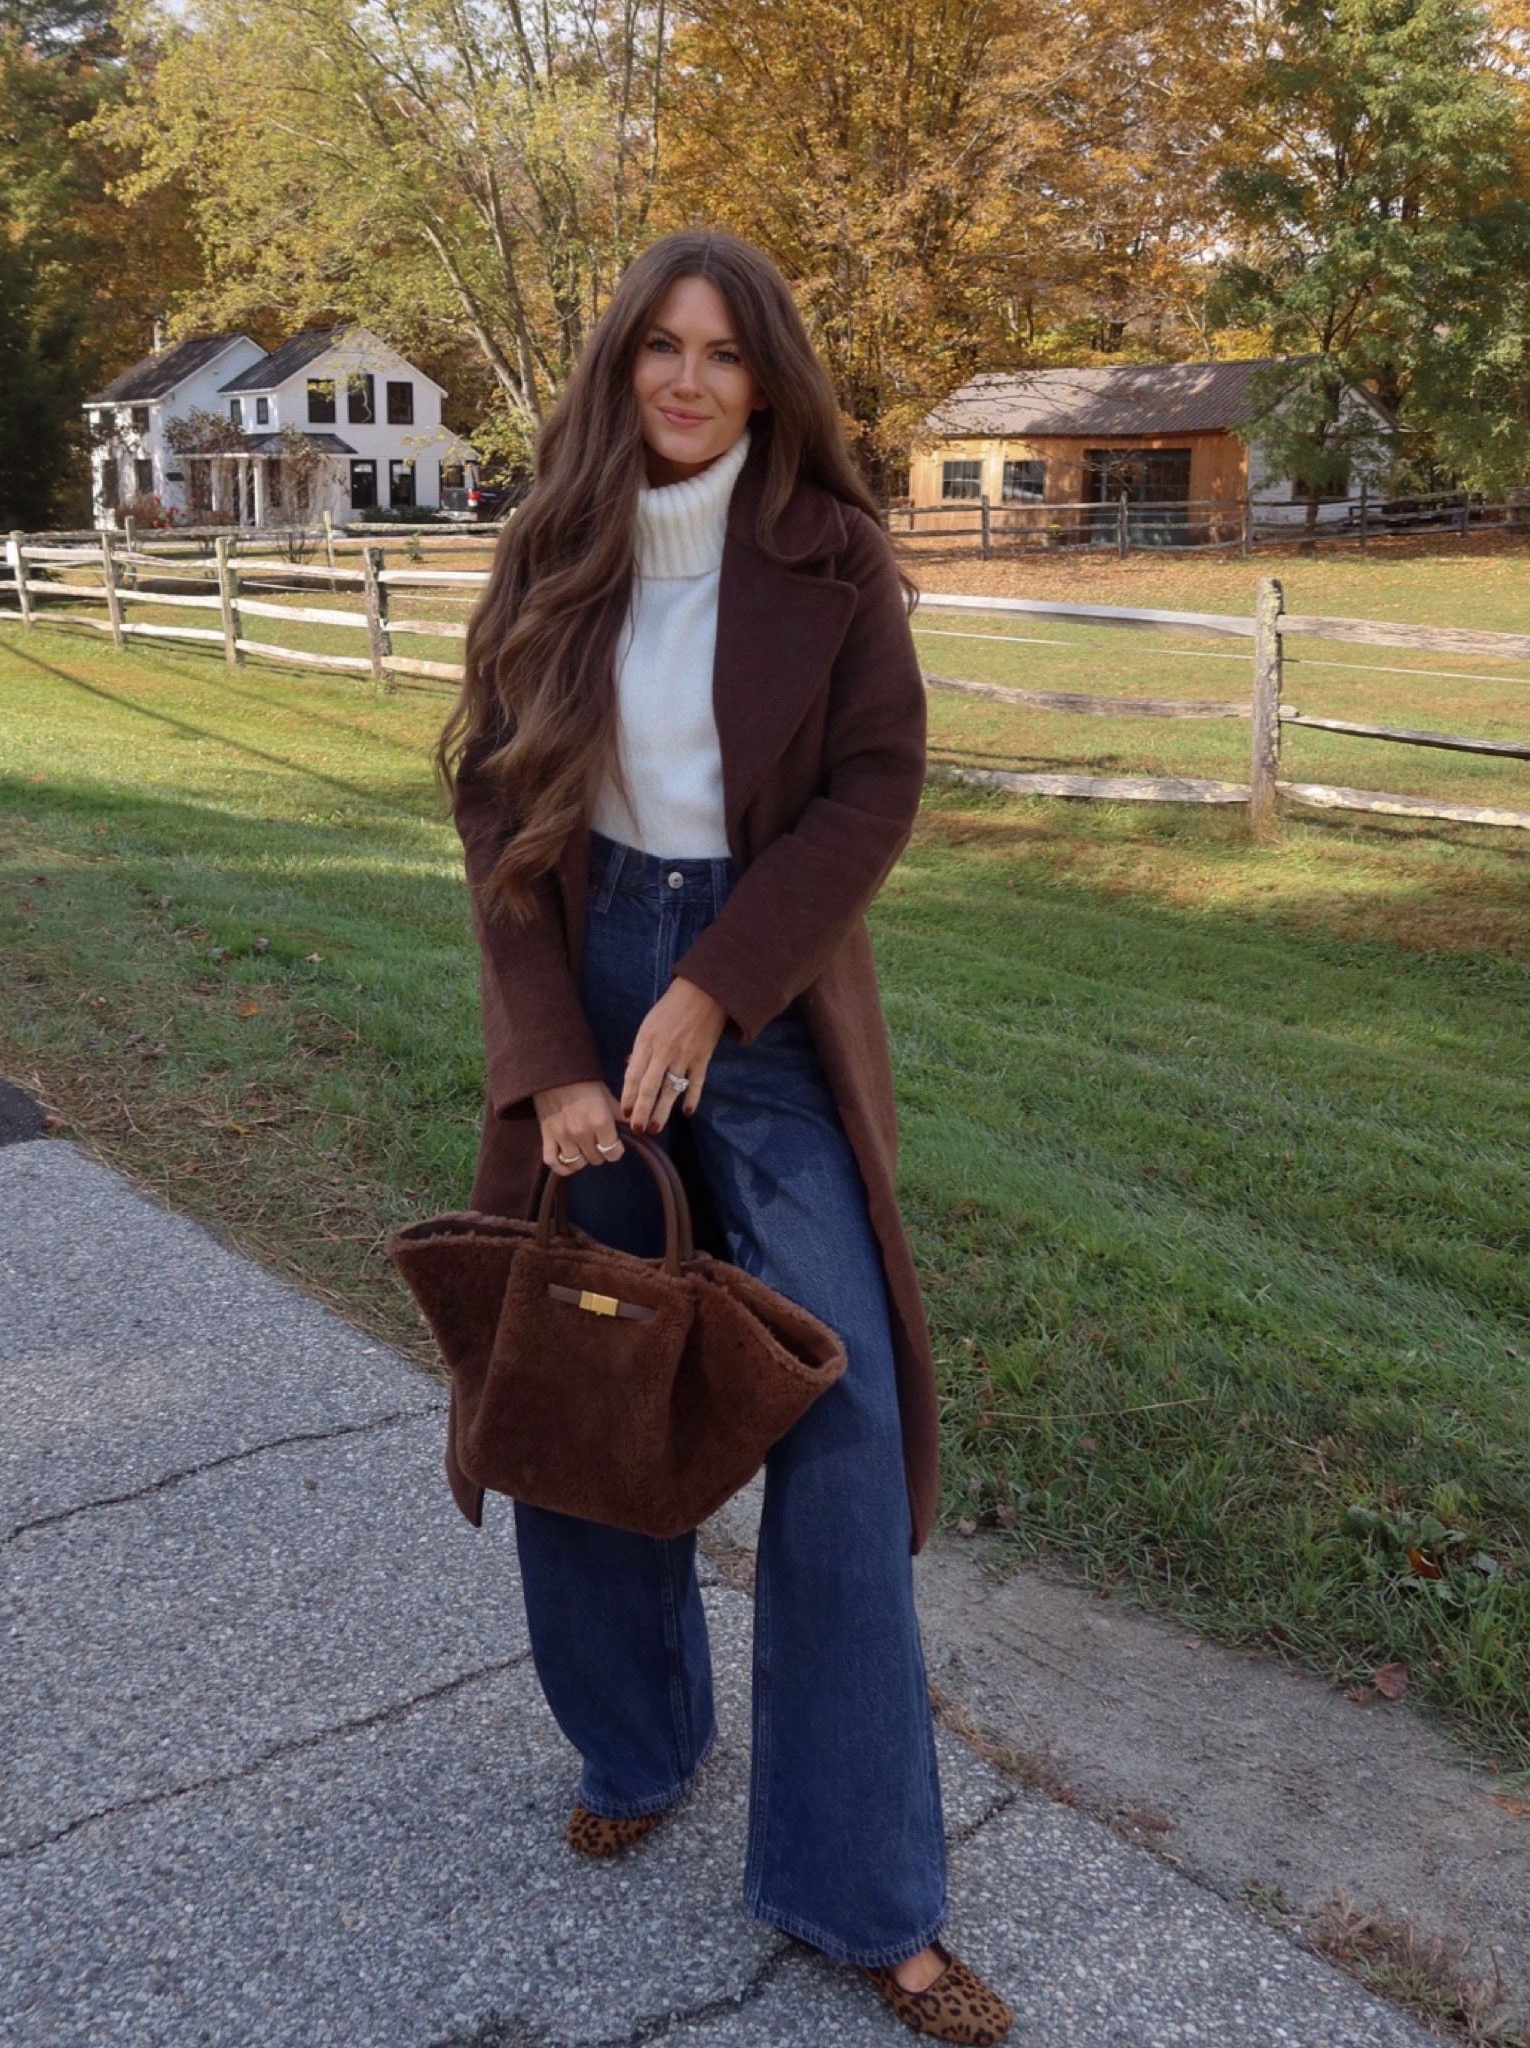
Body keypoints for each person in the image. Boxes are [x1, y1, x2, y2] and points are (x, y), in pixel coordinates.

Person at [438, 227, 1013, 2046]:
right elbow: (493, 807)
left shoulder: (832, 560)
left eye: (723, 353)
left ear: (768, 376)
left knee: (834, 1403)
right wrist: (555, 1063)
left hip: (754, 998)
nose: (688, 380)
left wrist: (717, 991)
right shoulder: (555, 546)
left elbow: (873, 790)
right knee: (585, 1379)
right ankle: (638, 1740)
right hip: (584, 974)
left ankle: (863, 1892)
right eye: (659, 350)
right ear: (622, 367)